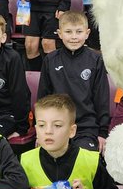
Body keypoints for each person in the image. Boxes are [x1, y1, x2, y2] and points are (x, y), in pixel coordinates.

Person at [22, 94, 119, 189]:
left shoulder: (92, 162)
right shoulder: (24, 162)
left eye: (57, 125)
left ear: (72, 131)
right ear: (36, 129)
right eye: (42, 125)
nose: (48, 131)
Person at [38, 11, 110, 148]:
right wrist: (41, 130)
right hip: (56, 126)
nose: (74, 37)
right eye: (68, 32)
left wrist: (102, 133)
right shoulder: (50, 60)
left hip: (86, 128)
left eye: (79, 32)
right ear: (59, 34)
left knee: (83, 161)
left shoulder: (95, 60)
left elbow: (102, 98)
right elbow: (43, 98)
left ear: (87, 33)